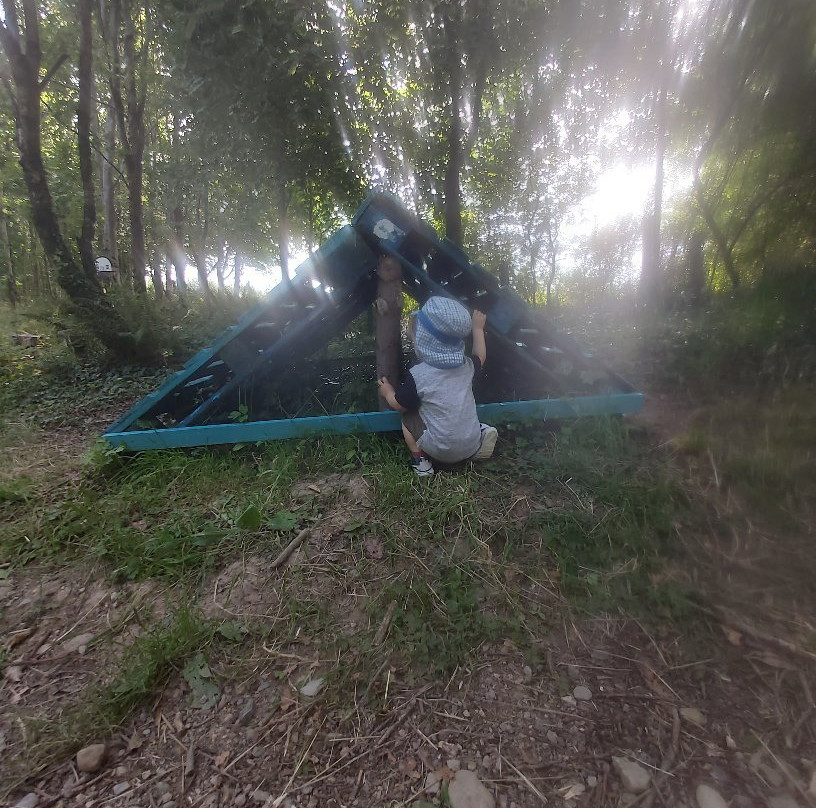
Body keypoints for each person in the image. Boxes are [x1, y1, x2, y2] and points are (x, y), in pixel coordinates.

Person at [377, 296, 498, 477]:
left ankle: (421, 461)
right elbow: (480, 355)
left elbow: (398, 404)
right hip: (470, 444)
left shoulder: (418, 375)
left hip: (438, 449)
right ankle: (478, 437)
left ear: (423, 339)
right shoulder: (467, 366)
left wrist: (388, 392)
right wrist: (478, 328)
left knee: (408, 417)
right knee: (463, 418)